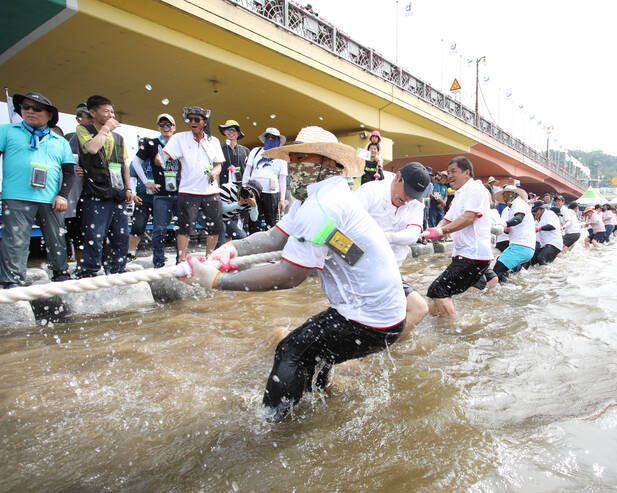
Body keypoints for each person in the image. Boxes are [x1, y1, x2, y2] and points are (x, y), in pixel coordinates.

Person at [185, 126, 405, 422]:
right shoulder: (313, 197)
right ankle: (321, 402)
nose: (295, 166)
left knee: (290, 350)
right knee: (316, 347)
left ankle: (272, 427)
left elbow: (289, 275)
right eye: (293, 158)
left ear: (330, 164)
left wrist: (217, 281)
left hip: (372, 319)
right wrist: (233, 248)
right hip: (375, 311)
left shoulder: (324, 206)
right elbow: (276, 238)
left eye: (303, 158)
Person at [0, 92, 75, 288]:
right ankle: (12, 280)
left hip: (50, 197)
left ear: (49, 115)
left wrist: (63, 195)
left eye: (37, 108)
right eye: (26, 107)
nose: (30, 111)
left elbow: (69, 173)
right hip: (16, 195)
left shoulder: (60, 142)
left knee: (56, 237)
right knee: (15, 239)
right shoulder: (7, 131)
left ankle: (60, 272)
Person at [356, 161, 430, 337]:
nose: (408, 200)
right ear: (397, 177)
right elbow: (347, 227)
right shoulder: (370, 191)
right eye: (407, 192)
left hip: (389, 271)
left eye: (414, 195)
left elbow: (412, 235)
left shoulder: (415, 203)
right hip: (360, 268)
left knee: (418, 310)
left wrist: (385, 237)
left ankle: (383, 348)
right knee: (361, 319)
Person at [423, 157, 492, 316]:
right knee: (434, 293)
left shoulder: (475, 188)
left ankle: (455, 331)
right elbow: (447, 219)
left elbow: (469, 217)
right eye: (448, 173)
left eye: (454, 171)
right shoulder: (460, 194)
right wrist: (431, 231)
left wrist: (440, 232)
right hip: (465, 254)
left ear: (466, 172)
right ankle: (440, 327)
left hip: (473, 255)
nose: (450, 176)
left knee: (438, 290)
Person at [76, 94, 133, 277]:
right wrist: (105, 129)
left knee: (121, 234)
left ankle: (116, 270)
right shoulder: (83, 130)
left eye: (112, 111)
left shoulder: (119, 138)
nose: (110, 115)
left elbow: (125, 164)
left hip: (117, 192)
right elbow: (92, 148)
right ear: (92, 112)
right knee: (95, 235)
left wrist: (128, 188)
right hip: (95, 192)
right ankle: (90, 271)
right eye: (106, 111)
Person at [162, 106, 224, 259]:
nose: (193, 122)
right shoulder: (179, 138)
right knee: (184, 228)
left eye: (197, 119)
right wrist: (161, 158)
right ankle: (182, 259)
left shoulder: (213, 141)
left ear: (204, 122)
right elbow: (164, 155)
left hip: (211, 191)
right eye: (190, 119)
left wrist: (214, 173)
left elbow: (218, 165)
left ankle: (209, 258)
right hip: (188, 190)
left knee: (215, 227)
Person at [130, 114, 180, 268]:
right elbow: (134, 163)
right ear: (158, 126)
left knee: (181, 228)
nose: (166, 127)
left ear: (174, 127)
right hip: (161, 195)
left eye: (169, 124)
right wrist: (146, 182)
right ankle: (158, 261)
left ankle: (181, 259)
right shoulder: (151, 143)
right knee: (159, 228)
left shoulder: (179, 143)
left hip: (180, 194)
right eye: (162, 124)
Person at [486, 184, 536, 286]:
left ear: (513, 194)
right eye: (504, 194)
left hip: (521, 246)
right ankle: (510, 289)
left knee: (496, 272)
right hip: (521, 247)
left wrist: (505, 224)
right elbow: (510, 230)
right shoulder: (512, 207)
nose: (504, 196)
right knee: (500, 270)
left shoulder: (518, 203)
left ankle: (507, 294)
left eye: (506, 194)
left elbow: (519, 218)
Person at [63, 102, 92, 265]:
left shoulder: (103, 136)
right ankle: (81, 266)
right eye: (85, 116)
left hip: (94, 192)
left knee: (93, 232)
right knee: (77, 232)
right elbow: (70, 167)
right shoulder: (73, 138)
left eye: (90, 115)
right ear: (78, 119)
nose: (88, 119)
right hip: (75, 195)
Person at [243, 127, 288, 228]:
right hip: (254, 191)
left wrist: (282, 199)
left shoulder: (282, 156)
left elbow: (282, 179)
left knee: (271, 222)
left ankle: (269, 242)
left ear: (278, 140)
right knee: (253, 220)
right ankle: (252, 241)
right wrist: (244, 188)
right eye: (268, 137)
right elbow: (247, 171)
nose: (270, 139)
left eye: (274, 137)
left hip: (271, 193)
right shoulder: (255, 151)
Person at [217, 179, 261, 247]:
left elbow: (254, 218)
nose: (247, 192)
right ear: (243, 186)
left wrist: (254, 206)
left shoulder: (250, 200)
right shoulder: (228, 188)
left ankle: (234, 253)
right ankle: (217, 254)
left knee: (243, 238)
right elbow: (222, 209)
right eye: (247, 189)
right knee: (221, 233)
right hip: (214, 217)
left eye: (252, 193)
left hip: (226, 219)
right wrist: (239, 203)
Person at [218, 120, 249, 185]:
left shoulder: (245, 151)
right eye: (228, 129)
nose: (231, 131)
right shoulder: (218, 149)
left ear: (238, 133)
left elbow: (249, 171)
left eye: (234, 130)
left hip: (241, 188)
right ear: (224, 132)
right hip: (223, 188)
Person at [532, 201, 563, 265]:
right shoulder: (538, 219)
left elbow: (552, 226)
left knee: (541, 258)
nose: (535, 213)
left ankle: (547, 274)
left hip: (554, 243)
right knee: (533, 260)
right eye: (534, 212)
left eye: (536, 211)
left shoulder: (549, 214)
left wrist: (539, 228)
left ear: (542, 209)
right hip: (544, 244)